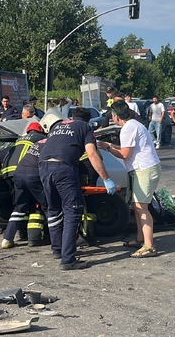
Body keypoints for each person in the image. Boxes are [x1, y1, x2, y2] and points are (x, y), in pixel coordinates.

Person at [39, 108, 117, 270]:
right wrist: (106, 179)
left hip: (43, 167)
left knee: (54, 210)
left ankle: (58, 249)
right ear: (88, 120)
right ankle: (68, 260)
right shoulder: (85, 128)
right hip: (63, 167)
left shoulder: (57, 126)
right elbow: (92, 154)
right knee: (73, 211)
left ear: (72, 117)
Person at [100, 100, 161, 258]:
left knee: (141, 207)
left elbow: (125, 155)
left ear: (116, 116)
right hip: (145, 168)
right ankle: (141, 238)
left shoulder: (127, 128)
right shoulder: (134, 124)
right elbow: (129, 148)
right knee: (137, 205)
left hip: (144, 169)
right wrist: (110, 145)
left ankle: (149, 245)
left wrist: (107, 148)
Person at [2, 122, 48, 249]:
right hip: (28, 173)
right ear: (40, 131)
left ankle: (7, 238)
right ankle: (47, 237)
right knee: (40, 205)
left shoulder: (19, 138)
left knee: (20, 207)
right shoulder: (40, 139)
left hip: (10, 174)